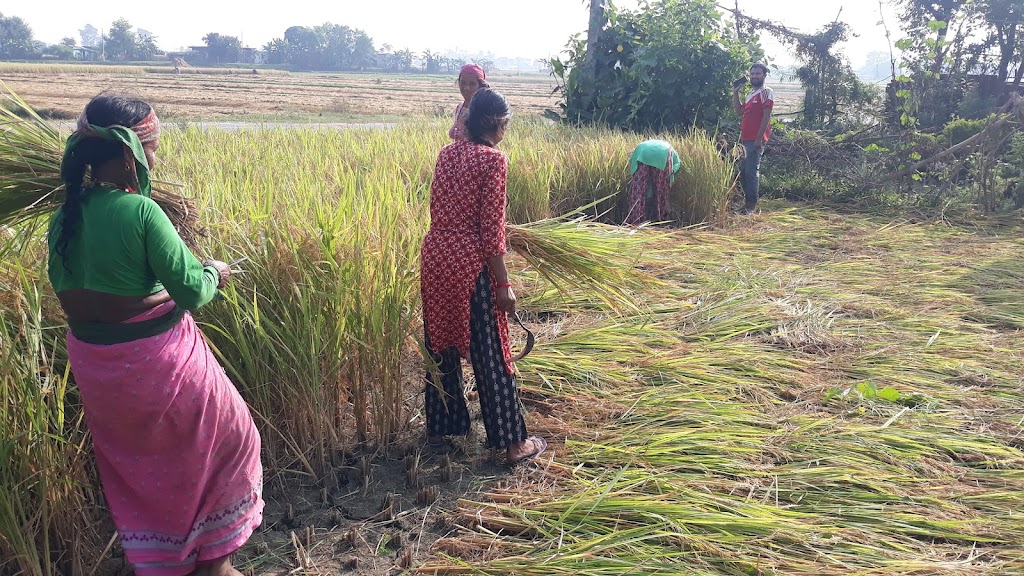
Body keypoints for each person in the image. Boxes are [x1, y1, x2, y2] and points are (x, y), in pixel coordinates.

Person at [47, 94, 263, 576]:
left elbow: (80, 298)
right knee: (233, 441)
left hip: (98, 371)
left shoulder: (63, 218)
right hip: (156, 363)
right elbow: (190, 292)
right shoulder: (141, 213)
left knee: (147, 470)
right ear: (132, 155)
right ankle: (216, 566)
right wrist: (215, 272)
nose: (156, 158)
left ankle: (169, 558)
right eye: (153, 149)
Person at [420, 88, 548, 465]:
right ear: (496, 124)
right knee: (491, 353)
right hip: (469, 266)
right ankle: (513, 445)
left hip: (436, 258)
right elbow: (492, 233)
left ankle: (443, 432)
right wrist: (505, 284)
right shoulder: (493, 161)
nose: (507, 130)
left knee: (440, 345)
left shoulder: (447, 153)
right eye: (507, 123)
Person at [732, 63, 774, 214]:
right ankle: (747, 203)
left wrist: (759, 138)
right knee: (743, 172)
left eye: (758, 74)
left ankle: (751, 206)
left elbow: (766, 115)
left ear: (764, 75)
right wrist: (735, 92)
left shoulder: (766, 92)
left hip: (755, 139)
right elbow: (738, 111)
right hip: (745, 139)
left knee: (751, 171)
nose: (755, 76)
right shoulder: (750, 94)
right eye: (752, 74)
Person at [625, 139, 681, 225]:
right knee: (661, 192)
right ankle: (660, 219)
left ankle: (636, 220)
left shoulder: (639, 148)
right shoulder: (672, 151)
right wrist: (670, 173)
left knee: (638, 192)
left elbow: (633, 165)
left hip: (643, 153)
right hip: (663, 153)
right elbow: (676, 165)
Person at [448, 63, 489, 141]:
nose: (466, 88)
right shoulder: (460, 108)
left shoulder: (483, 110)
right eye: (463, 82)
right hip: (458, 152)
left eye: (472, 84)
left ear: (480, 86)